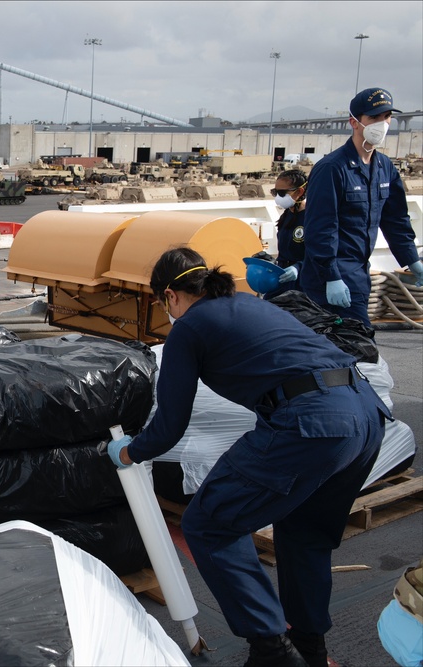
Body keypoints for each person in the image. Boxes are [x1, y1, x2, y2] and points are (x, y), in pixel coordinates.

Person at [107, 247, 389, 667]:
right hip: (365, 414)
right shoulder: (246, 305)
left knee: (210, 523)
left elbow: (170, 426)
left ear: (171, 296)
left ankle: (272, 650)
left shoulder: (190, 327)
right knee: (303, 535)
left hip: (312, 421)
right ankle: (311, 651)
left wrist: (128, 452)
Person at [300, 87, 423, 324]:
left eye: (387, 117)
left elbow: (395, 219)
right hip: (329, 278)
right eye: (374, 118)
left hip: (358, 275)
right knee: (360, 349)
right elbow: (320, 228)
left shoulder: (384, 167)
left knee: (345, 352)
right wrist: (330, 276)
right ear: (354, 122)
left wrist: (411, 259)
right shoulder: (332, 168)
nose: (382, 123)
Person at [263, 168, 308, 300]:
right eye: (275, 192)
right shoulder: (287, 215)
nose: (278, 197)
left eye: (282, 193)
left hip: (303, 281)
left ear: (299, 191)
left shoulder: (311, 217)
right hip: (282, 277)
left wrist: (299, 267)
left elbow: (318, 252)